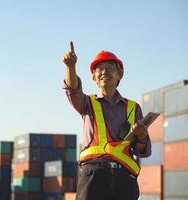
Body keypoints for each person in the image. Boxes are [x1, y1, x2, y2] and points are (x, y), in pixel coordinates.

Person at [62, 41, 151, 200]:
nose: (104, 72)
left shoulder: (133, 108)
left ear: (120, 74)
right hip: (93, 176)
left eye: (110, 68)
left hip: (124, 179)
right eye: (99, 69)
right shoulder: (87, 103)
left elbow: (142, 151)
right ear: (94, 77)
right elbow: (73, 89)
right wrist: (71, 66)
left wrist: (143, 136)